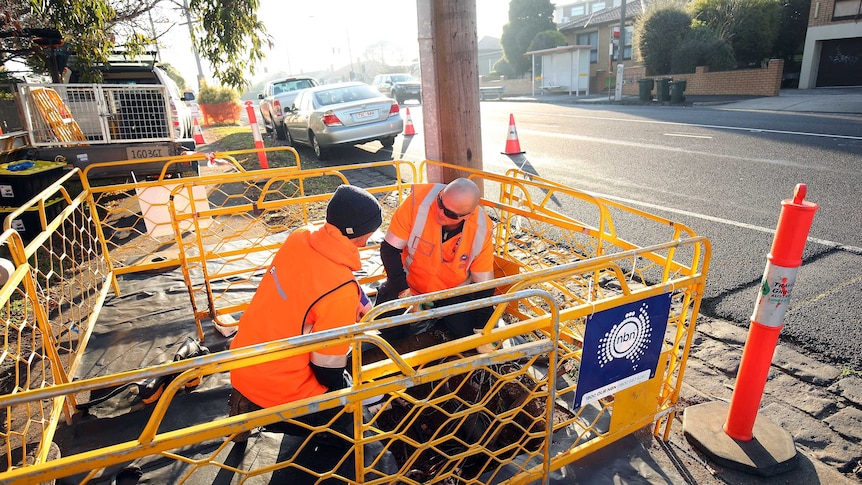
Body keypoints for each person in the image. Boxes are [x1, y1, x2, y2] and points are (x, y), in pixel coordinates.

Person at [228, 184, 381, 447]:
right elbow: (326, 368)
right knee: (351, 408)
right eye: (369, 234)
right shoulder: (339, 288)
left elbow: (320, 281)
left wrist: (355, 298)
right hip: (281, 392)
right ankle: (338, 442)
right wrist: (342, 386)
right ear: (359, 235)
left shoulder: (300, 237)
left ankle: (242, 407)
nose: (368, 241)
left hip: (243, 365)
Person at [376, 178, 496, 341]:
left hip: (451, 293)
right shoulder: (416, 202)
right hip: (408, 284)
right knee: (386, 328)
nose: (439, 213)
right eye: (440, 202)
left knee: (466, 335)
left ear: (468, 215)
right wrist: (405, 293)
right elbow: (389, 250)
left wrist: (482, 328)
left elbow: (485, 286)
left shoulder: (481, 229)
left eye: (449, 214)